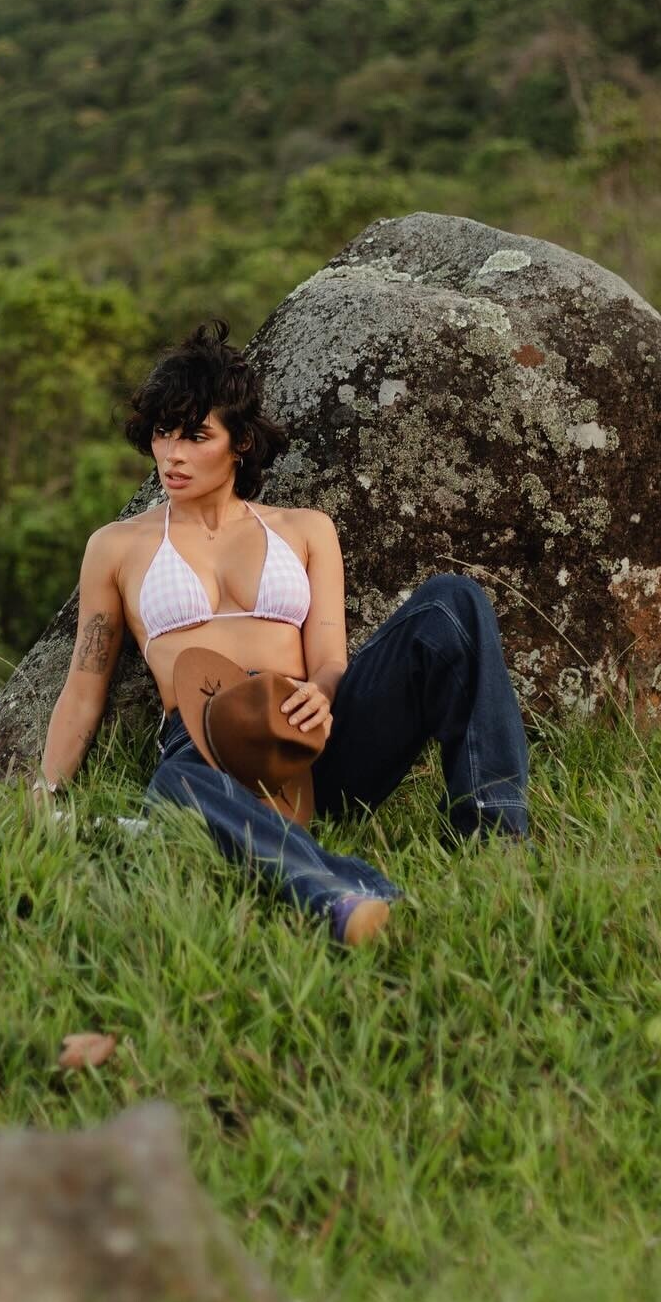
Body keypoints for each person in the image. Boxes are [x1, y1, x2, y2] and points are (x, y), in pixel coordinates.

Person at [29, 319, 531, 946]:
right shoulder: (116, 546)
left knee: (452, 604)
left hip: (309, 737)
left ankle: (498, 847)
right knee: (175, 786)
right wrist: (47, 789)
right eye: (162, 433)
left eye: (195, 436)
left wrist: (322, 693)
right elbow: (84, 686)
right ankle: (340, 893)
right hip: (205, 746)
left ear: (239, 442)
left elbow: (330, 659)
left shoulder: (304, 529)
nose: (172, 455)